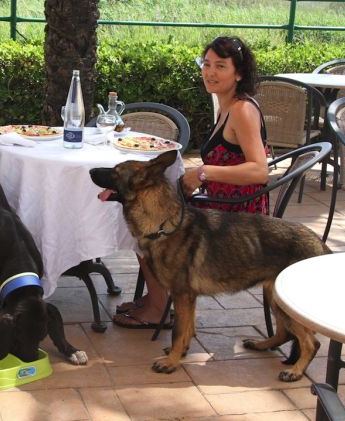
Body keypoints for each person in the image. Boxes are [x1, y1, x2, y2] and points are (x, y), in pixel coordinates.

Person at [113, 35, 269, 328]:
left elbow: (260, 171)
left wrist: (203, 173)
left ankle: (158, 308)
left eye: (220, 66)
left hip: (236, 216)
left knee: (151, 225)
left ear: (239, 72)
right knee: (149, 207)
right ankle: (154, 299)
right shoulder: (226, 105)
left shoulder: (242, 110)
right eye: (206, 64)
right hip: (221, 205)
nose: (210, 72)